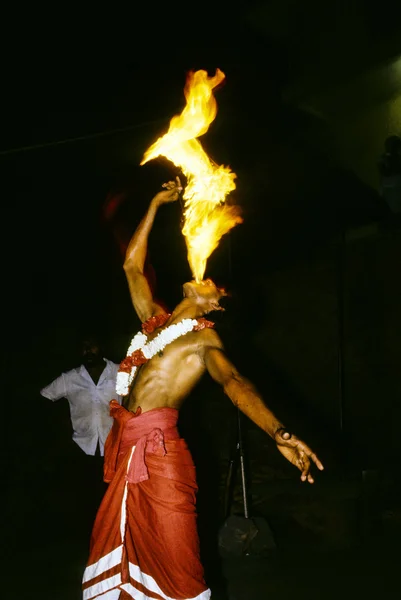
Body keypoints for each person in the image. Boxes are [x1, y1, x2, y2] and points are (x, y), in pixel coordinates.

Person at [82, 180, 324, 600]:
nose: (204, 277)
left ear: (216, 305)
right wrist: (156, 204)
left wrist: (278, 433)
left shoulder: (203, 340)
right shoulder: (154, 324)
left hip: (161, 458)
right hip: (128, 451)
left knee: (180, 565)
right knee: (124, 555)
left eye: (213, 283)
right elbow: (131, 268)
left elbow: (234, 383)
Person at [40, 335, 122, 532]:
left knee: (114, 499)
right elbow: (45, 397)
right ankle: (89, 541)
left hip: (116, 446)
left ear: (101, 346)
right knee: (86, 499)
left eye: (92, 346)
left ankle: (113, 539)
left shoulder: (120, 372)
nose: (88, 351)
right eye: (83, 347)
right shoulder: (70, 378)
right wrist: (61, 425)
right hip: (82, 447)